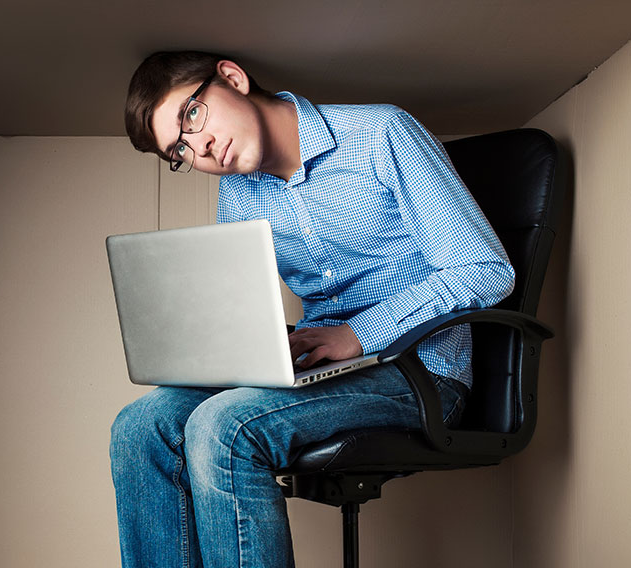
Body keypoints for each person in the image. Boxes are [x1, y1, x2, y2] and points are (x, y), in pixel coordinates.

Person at [110, 51, 515, 568]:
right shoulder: (238, 196)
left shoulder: (380, 134)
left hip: (420, 373)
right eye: (180, 149)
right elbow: (243, 308)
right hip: (320, 370)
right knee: (140, 427)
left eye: (192, 115)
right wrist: (244, 346)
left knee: (222, 426)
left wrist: (359, 334)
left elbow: (486, 269)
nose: (200, 147)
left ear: (231, 78)